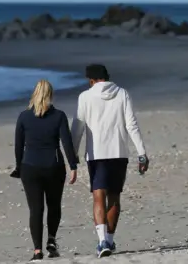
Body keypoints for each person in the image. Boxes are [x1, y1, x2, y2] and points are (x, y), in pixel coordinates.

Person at [71, 64, 149, 258]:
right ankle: (110, 240)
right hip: (119, 153)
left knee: (99, 197)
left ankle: (102, 241)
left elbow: (77, 128)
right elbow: (131, 124)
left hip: (96, 154)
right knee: (114, 197)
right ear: (107, 77)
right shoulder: (122, 93)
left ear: (91, 80)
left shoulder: (85, 97)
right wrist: (142, 153)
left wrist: (72, 155)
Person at [11, 80, 78, 262]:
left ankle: (37, 251)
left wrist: (19, 167)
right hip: (54, 167)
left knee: (36, 209)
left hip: (30, 167)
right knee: (54, 205)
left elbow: (18, 146)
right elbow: (66, 142)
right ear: (51, 95)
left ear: (34, 94)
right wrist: (73, 165)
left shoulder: (24, 117)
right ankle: (51, 240)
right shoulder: (59, 116)